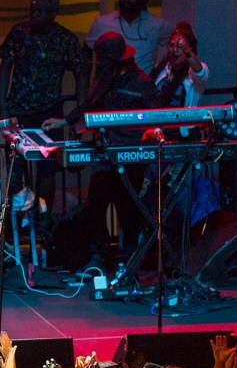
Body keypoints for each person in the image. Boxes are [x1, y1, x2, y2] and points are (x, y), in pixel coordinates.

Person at [42, 32, 160, 270]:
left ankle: (130, 262)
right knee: (96, 205)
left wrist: (149, 157)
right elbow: (91, 106)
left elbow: (154, 119)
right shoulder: (107, 79)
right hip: (106, 154)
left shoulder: (142, 83)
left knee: (128, 211)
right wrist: (64, 121)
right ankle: (100, 255)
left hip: (130, 156)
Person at [0, 0, 84, 206]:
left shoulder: (65, 38)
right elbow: (5, 68)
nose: (34, 14)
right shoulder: (20, 32)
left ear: (53, 13)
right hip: (18, 110)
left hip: (49, 112)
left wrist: (78, 114)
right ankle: (20, 219)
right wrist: (2, 108)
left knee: (48, 169)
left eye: (41, 10)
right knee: (15, 168)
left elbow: (81, 73)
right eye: (32, 9)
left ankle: (44, 220)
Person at [85, 0, 171, 77]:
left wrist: (158, 74)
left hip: (142, 86)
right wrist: (86, 82)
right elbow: (86, 51)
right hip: (109, 86)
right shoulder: (102, 23)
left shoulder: (158, 25)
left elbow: (176, 48)